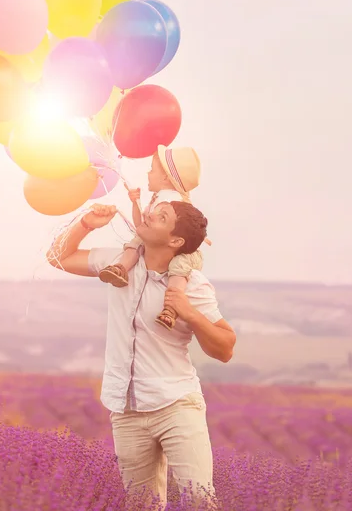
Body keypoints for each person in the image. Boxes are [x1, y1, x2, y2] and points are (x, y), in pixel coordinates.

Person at [47, 200, 236, 510]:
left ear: (175, 241)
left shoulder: (193, 286)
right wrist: (86, 224)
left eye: (161, 217)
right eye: (154, 210)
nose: (148, 214)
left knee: (200, 502)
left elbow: (226, 348)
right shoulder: (117, 264)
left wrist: (190, 314)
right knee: (141, 507)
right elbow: (57, 257)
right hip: (126, 410)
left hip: (176, 405)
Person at [99, 145, 204, 331]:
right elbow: (141, 226)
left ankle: (170, 308)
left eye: (152, 169)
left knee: (179, 269)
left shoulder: (170, 203)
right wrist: (135, 202)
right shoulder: (160, 199)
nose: (148, 173)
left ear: (165, 177)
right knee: (136, 242)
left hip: (182, 249)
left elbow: (144, 226)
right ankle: (122, 270)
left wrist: (138, 209)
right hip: (164, 239)